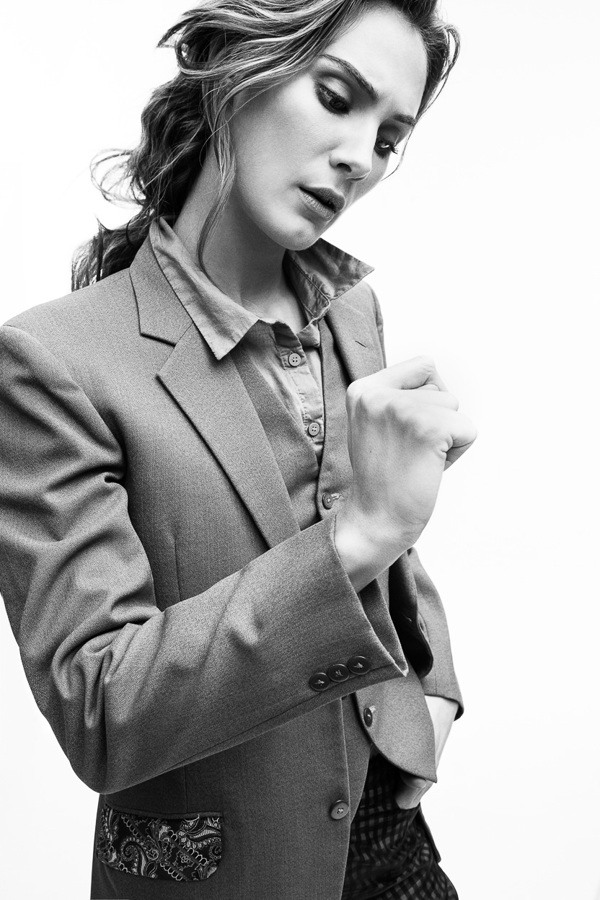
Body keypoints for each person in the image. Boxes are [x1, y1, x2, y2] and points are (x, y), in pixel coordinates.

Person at [0, 1, 476, 897]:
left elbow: (387, 529)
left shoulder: (353, 311)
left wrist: (435, 684)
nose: (360, 157)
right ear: (235, 73)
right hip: (225, 870)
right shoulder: (52, 360)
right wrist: (359, 537)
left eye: (389, 139)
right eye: (337, 97)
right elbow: (99, 710)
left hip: (395, 849)